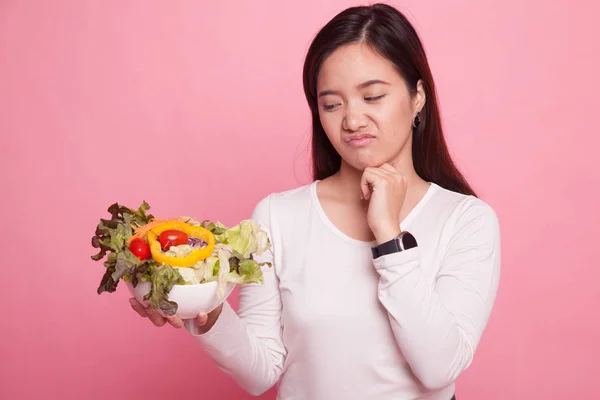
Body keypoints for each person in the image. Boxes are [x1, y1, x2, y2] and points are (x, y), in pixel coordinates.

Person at [129, 3, 501, 399]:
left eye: (372, 96)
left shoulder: (466, 220)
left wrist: (389, 237)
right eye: (331, 104)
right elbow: (262, 372)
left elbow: (438, 368)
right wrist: (204, 310)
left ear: (418, 97)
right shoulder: (278, 216)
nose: (352, 120)